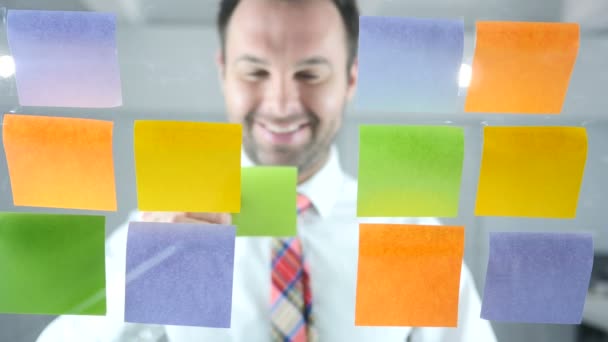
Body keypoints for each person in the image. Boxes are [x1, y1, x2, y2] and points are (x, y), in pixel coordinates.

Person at [38, 0, 497, 341]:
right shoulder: (161, 230)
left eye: (310, 74)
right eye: (255, 72)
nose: (280, 105)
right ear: (223, 74)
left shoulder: (411, 235)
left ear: (351, 79)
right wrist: (142, 282)